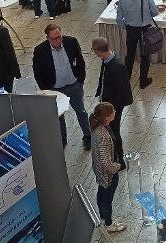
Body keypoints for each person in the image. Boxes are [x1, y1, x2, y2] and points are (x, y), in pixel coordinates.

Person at [33, 23, 92, 150]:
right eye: (54, 38)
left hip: (74, 85)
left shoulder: (71, 42)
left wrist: (80, 79)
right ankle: (62, 139)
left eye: (59, 37)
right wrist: (46, 90)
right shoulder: (40, 50)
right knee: (59, 116)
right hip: (55, 89)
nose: (58, 40)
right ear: (48, 38)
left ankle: (88, 136)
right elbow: (38, 73)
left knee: (81, 111)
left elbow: (80, 61)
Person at [92, 37, 133, 170]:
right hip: (107, 103)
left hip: (113, 107)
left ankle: (119, 160)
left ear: (98, 50)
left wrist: (110, 111)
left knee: (114, 132)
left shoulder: (117, 66)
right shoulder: (108, 59)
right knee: (111, 131)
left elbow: (123, 91)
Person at [89, 102, 127, 233]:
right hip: (107, 174)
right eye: (113, 112)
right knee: (107, 198)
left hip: (99, 170)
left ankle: (103, 216)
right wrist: (117, 166)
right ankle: (109, 223)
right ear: (106, 117)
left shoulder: (96, 127)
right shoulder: (104, 136)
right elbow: (106, 163)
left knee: (101, 193)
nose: (115, 112)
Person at [116, 0, 158, 89]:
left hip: (131, 29)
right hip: (144, 30)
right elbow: (155, 13)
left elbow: (119, 19)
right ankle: (143, 81)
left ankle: (126, 80)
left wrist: (127, 26)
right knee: (145, 55)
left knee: (129, 55)